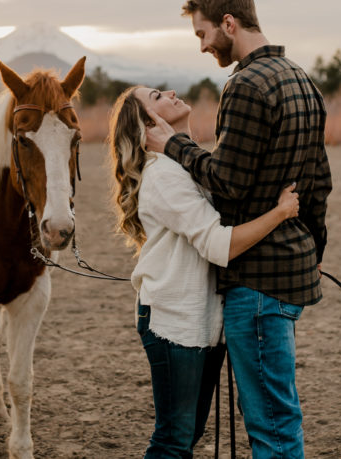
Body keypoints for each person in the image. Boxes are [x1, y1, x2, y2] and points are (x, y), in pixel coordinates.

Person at [144, 0, 331, 459]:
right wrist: (307, 256)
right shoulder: (303, 81)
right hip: (289, 277)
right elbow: (318, 186)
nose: (204, 46)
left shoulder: (246, 85)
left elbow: (227, 182)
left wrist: (175, 145)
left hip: (257, 284)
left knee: (271, 427)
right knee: (276, 417)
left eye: (204, 34)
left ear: (229, 23)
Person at [107, 85, 300, 459]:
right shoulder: (164, 175)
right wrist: (279, 213)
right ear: (148, 125)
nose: (172, 91)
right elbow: (219, 244)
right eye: (158, 95)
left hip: (201, 321)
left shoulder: (188, 165)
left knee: (188, 433)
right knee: (173, 439)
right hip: (173, 323)